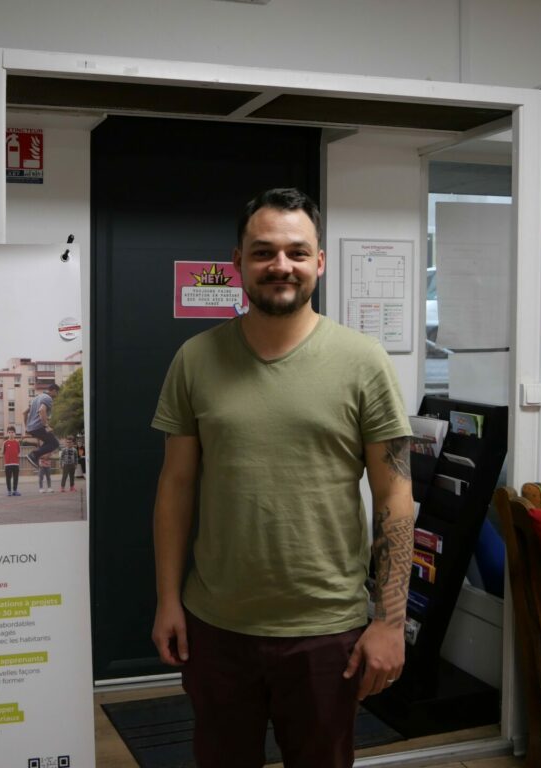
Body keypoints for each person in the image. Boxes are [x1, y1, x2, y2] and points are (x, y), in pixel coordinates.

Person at [150, 188, 414, 768]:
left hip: (328, 629)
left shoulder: (363, 361)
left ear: (319, 262)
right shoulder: (195, 359)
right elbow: (175, 487)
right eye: (263, 251)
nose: (280, 266)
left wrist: (391, 621)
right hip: (217, 627)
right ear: (238, 262)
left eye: (297, 252)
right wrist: (168, 599)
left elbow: (396, 494)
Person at [24, 382, 60, 469]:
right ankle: (33, 455)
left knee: (49, 442)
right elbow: (41, 410)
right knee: (54, 443)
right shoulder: (48, 398)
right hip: (38, 426)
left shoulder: (36, 398)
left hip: (32, 428)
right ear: (54, 391)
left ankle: (35, 455)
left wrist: (27, 427)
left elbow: (24, 413)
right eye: (58, 393)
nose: (57, 395)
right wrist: (46, 426)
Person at [2, 426, 21, 496]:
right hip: (8, 464)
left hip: (16, 463)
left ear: (15, 433)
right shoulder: (5, 442)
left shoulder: (17, 442)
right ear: (7, 433)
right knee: (8, 478)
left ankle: (15, 491)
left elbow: (18, 452)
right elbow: (2, 452)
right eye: (9, 432)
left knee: (16, 478)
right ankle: (9, 491)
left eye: (12, 432)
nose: (11, 434)